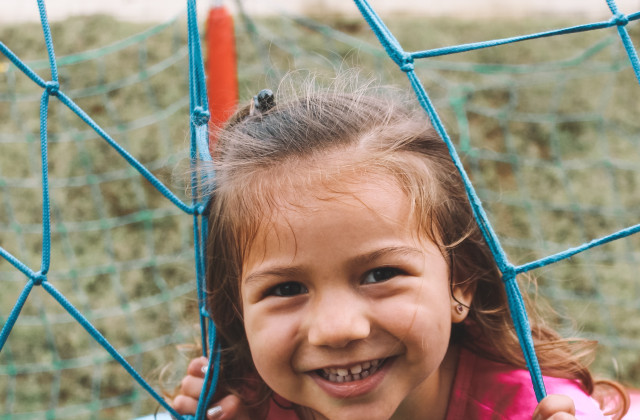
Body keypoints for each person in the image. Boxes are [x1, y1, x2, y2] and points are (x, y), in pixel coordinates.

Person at [170, 75, 629, 420]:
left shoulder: (535, 409)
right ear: (237, 312)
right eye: (287, 288)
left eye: (379, 275)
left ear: (461, 284)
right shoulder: (247, 403)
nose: (337, 329)